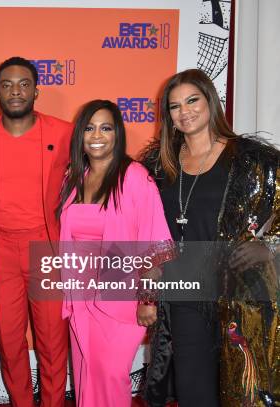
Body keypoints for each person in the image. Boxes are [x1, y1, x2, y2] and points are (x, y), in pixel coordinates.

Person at [142, 68, 280, 406]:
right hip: (184, 295)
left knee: (242, 391)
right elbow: (140, 225)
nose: (184, 111)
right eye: (175, 106)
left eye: (192, 101)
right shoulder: (157, 165)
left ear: (210, 103)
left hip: (239, 294)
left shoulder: (249, 159)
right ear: (168, 116)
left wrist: (269, 246)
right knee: (194, 392)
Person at [57, 100, 174, 406]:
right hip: (81, 297)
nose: (97, 135)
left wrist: (148, 300)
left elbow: (155, 243)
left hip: (121, 299)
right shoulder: (74, 177)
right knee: (84, 373)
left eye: (106, 127)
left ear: (117, 133)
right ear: (80, 135)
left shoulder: (135, 176)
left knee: (109, 375)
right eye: (89, 128)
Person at [0, 56, 71, 407]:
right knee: (10, 342)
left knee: (52, 342)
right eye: (7, 85)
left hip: (48, 248)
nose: (16, 91)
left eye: (23, 84)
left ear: (36, 91)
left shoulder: (64, 132)